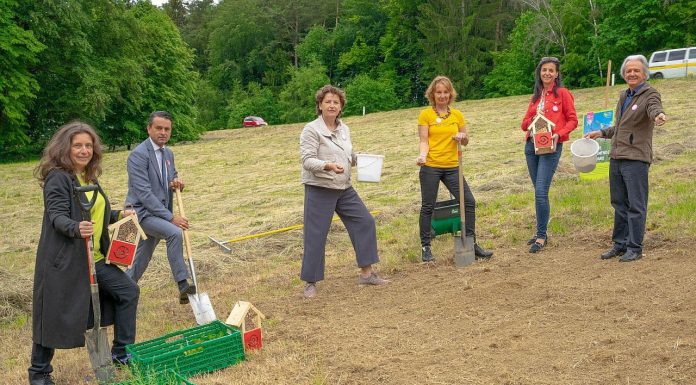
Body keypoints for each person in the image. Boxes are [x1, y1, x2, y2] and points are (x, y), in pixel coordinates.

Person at [29, 121, 139, 385]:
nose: (83, 150)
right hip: (66, 260)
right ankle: (39, 373)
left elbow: (93, 214)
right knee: (54, 313)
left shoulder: (89, 177)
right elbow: (56, 216)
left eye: (88, 145)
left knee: (128, 292)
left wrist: (118, 214)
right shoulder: (58, 177)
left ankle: (122, 354)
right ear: (64, 148)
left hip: (96, 258)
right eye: (77, 145)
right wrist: (76, 228)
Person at [299, 85, 387, 299]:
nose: (332, 105)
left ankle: (367, 274)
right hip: (320, 188)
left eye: (336, 102)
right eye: (327, 101)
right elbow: (307, 160)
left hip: (344, 187)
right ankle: (311, 283)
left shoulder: (343, 129)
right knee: (316, 235)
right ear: (320, 105)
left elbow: (347, 154)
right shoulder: (311, 129)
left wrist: (362, 160)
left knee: (364, 221)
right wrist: (327, 165)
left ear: (341, 107)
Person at [586, 54, 666, 262]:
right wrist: (602, 133)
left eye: (636, 70)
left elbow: (654, 108)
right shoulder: (624, 96)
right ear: (623, 74)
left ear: (644, 74)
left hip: (636, 158)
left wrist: (658, 115)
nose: (632, 73)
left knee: (636, 205)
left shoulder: (650, 94)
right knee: (619, 203)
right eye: (628, 70)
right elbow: (620, 127)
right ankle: (620, 244)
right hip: (617, 156)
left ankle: (635, 247)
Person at [416, 75, 493, 262]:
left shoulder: (457, 115)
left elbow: (466, 140)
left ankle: (471, 244)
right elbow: (424, 141)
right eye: (438, 92)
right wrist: (422, 156)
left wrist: (462, 137)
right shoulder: (426, 115)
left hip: (452, 167)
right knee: (428, 206)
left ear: (450, 94)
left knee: (468, 201)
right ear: (432, 94)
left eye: (445, 92)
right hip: (431, 166)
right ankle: (426, 247)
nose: (442, 95)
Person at [124, 111, 195, 303]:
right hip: (141, 212)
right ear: (149, 129)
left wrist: (177, 182)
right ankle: (183, 283)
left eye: (167, 129)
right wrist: (171, 218)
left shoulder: (168, 153)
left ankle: (122, 291)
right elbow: (144, 194)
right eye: (159, 128)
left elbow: (171, 176)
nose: (163, 132)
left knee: (142, 257)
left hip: (158, 213)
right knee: (174, 233)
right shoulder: (138, 156)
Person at [520, 57, 578, 253]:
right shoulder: (536, 96)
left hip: (551, 148)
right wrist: (532, 120)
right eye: (544, 70)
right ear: (539, 73)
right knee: (538, 191)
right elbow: (524, 123)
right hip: (531, 147)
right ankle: (539, 231)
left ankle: (542, 236)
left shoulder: (562, 94)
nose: (547, 73)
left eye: (551, 70)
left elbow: (573, 120)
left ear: (557, 73)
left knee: (540, 191)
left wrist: (558, 134)